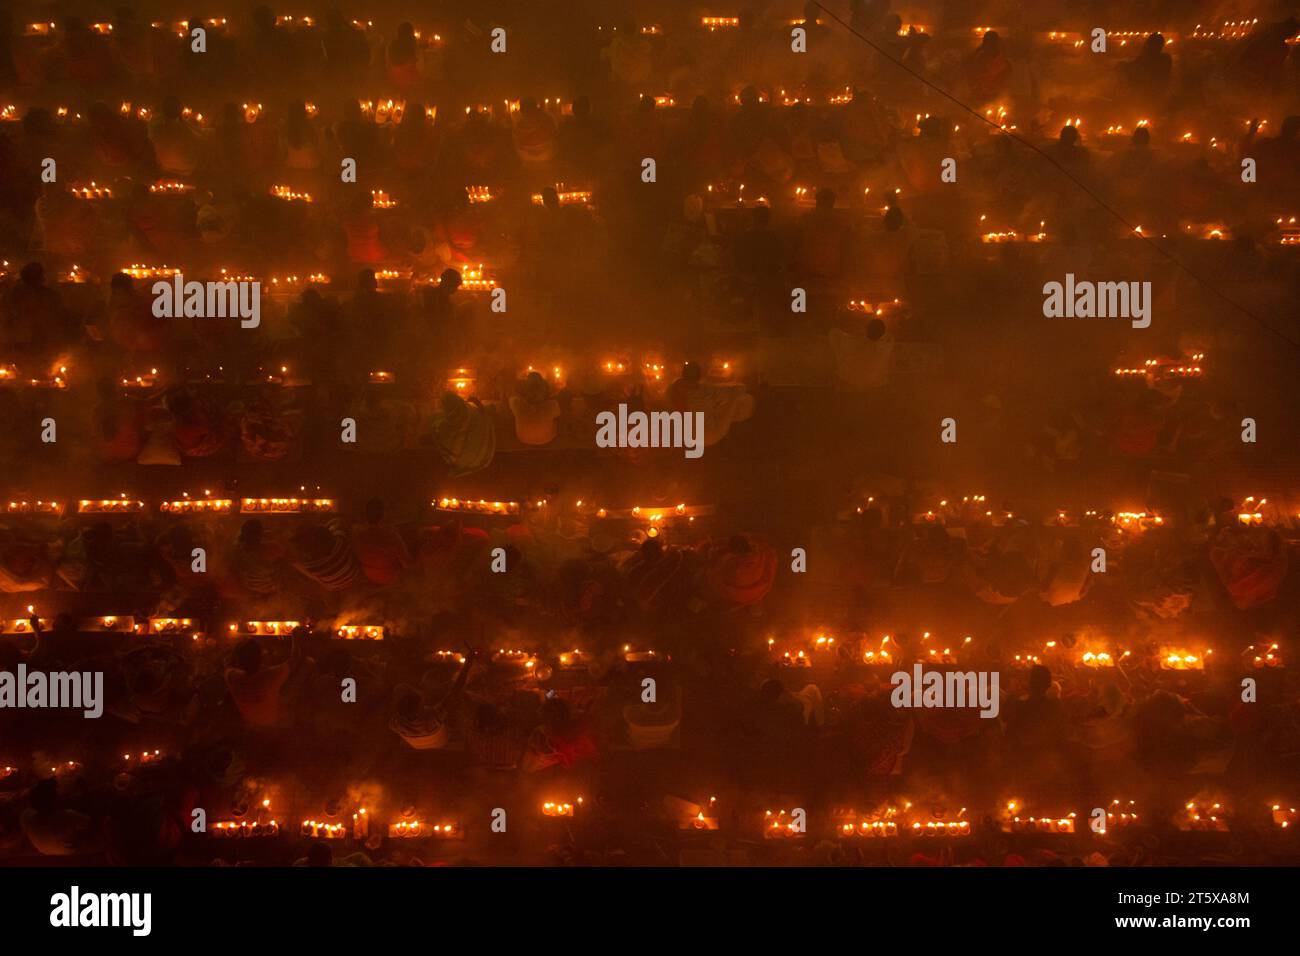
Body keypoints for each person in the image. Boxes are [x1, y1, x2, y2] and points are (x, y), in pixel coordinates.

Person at [224, 627, 305, 728]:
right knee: (306, 666)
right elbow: (296, 658)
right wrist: (297, 638)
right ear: (260, 658)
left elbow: (228, 662)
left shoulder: (232, 677)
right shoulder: (269, 677)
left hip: (250, 724)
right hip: (274, 726)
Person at [350, 498, 412, 586]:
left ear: (366, 515)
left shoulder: (356, 534)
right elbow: (407, 564)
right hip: (390, 578)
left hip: (369, 575)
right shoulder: (391, 536)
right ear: (383, 515)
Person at [508, 372, 561, 445]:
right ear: (544, 389)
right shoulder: (552, 405)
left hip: (522, 439)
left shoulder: (516, 403)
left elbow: (510, 395)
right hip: (547, 439)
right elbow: (558, 416)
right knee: (556, 420)